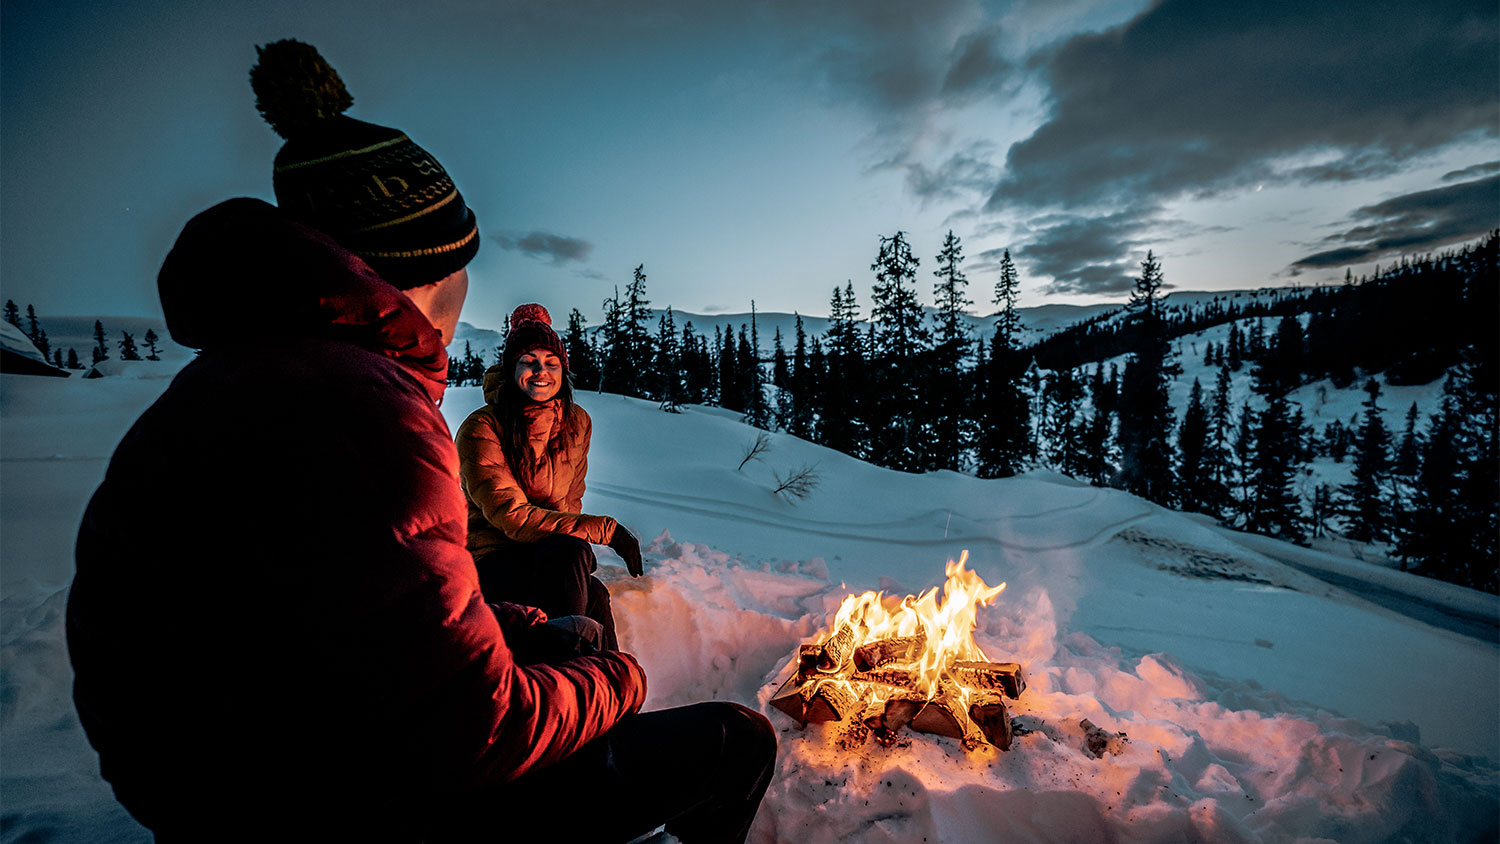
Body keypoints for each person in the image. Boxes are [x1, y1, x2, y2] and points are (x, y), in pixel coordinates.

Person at [67, 40, 775, 843]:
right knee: (733, 739)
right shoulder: (370, 417)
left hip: (242, 781)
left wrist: (507, 626)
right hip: (354, 804)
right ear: (423, 272)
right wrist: (617, 679)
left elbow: (348, 614)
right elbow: (472, 722)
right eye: (460, 263)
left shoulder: (223, 392)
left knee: (568, 618)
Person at [456, 302, 642, 651]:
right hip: (493, 560)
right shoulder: (481, 428)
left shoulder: (576, 423)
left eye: (551, 362)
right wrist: (607, 531)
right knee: (569, 553)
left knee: (596, 593)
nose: (540, 371)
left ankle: (611, 692)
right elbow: (511, 517)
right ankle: (557, 674)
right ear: (511, 368)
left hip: (551, 556)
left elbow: (569, 504)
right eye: (528, 361)